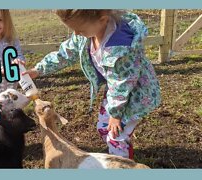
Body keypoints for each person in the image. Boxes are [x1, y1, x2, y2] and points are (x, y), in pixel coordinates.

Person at [23, 10, 161, 159]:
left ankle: (123, 165)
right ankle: (121, 149)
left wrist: (116, 115)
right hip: (115, 92)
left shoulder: (121, 48)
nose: (76, 33)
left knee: (115, 136)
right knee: (103, 128)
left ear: (103, 20)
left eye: (80, 29)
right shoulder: (87, 33)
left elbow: (123, 84)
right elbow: (65, 54)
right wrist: (38, 70)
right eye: (73, 29)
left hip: (136, 94)